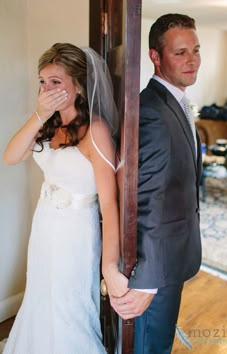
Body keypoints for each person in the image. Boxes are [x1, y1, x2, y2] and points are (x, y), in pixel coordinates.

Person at [3, 43, 128, 354]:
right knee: (41, 296)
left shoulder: (95, 130)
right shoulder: (47, 124)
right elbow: (11, 156)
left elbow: (110, 205)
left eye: (56, 82)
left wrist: (109, 265)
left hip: (75, 235)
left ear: (79, 85)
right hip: (44, 226)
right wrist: (39, 114)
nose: (46, 89)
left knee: (67, 306)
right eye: (42, 82)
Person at [111, 13, 202, 353]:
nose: (192, 60)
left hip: (173, 257)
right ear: (155, 56)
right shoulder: (150, 111)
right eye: (180, 52)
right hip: (156, 270)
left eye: (195, 50)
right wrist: (146, 283)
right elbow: (146, 199)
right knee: (151, 347)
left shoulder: (176, 102)